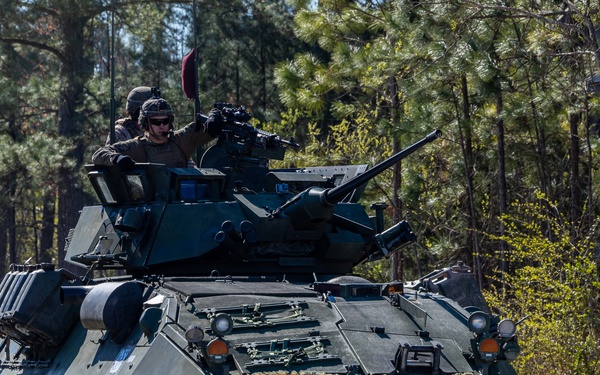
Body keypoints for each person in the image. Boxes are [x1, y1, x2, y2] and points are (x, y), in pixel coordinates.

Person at [92, 96, 223, 168]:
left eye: (165, 121)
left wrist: (215, 115)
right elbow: (99, 154)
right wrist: (117, 158)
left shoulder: (181, 140)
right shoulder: (136, 147)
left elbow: (209, 129)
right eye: (156, 122)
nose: (162, 126)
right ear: (145, 124)